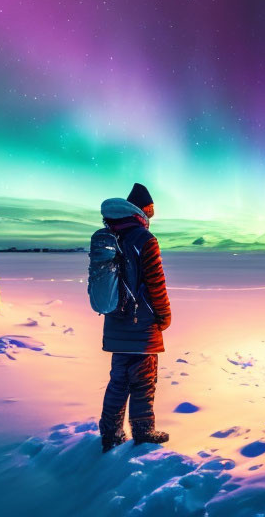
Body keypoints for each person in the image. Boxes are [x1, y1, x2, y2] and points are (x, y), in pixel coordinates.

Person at [98, 183, 172, 452]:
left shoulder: (112, 236)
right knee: (144, 378)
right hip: (141, 324)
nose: (151, 216)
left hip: (116, 323)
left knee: (118, 380)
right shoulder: (144, 239)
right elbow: (156, 284)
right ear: (141, 209)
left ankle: (110, 433)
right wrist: (163, 317)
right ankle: (143, 432)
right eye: (150, 210)